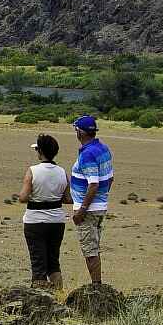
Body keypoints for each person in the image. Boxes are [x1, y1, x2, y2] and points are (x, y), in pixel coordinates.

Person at [19, 133, 71, 291]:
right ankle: (59, 294)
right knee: (53, 263)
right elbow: (67, 198)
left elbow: (23, 197)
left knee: (38, 264)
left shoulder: (32, 171)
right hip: (56, 221)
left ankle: (39, 296)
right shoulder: (62, 172)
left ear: (40, 151)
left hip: (35, 222)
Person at [69, 115, 114, 284]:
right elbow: (110, 178)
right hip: (99, 206)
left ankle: (96, 286)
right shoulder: (103, 149)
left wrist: (82, 210)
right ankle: (97, 285)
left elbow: (93, 184)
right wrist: (102, 198)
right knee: (93, 247)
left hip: (89, 210)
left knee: (90, 251)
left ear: (80, 132)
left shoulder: (87, 154)